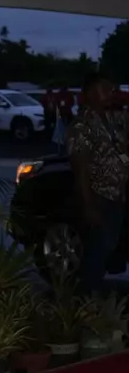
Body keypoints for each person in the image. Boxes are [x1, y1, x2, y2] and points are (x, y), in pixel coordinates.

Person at [66, 73, 129, 293]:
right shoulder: (82, 127)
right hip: (99, 196)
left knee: (108, 248)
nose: (111, 93)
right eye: (105, 89)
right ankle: (85, 301)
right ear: (90, 93)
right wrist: (89, 206)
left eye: (112, 89)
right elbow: (80, 169)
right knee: (98, 251)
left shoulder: (114, 120)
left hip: (117, 195)